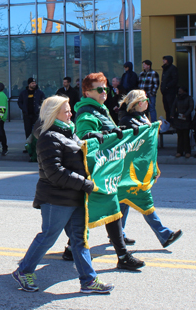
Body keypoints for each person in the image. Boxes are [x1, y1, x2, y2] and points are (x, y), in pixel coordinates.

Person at [11, 96, 114, 294]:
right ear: (53, 113)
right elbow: (55, 172)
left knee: (79, 239)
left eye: (69, 110)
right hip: (55, 198)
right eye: (66, 111)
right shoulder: (48, 137)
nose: (70, 114)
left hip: (74, 196)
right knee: (48, 236)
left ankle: (88, 280)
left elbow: (79, 151)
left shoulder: (69, 132)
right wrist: (84, 183)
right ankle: (24, 271)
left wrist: (93, 137)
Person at [70, 72, 145, 270]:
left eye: (107, 88)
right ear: (87, 92)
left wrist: (125, 131)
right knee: (106, 210)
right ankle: (122, 255)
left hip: (106, 171)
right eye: (100, 89)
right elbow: (82, 138)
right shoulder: (87, 113)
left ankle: (72, 248)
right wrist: (93, 135)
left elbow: (110, 134)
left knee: (102, 210)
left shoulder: (100, 110)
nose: (105, 93)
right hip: (96, 172)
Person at [118, 89, 183, 248]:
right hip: (131, 170)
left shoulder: (142, 117)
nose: (148, 102)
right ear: (138, 103)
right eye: (145, 99)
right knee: (144, 202)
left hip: (141, 169)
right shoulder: (126, 120)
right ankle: (164, 235)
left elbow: (149, 148)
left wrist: (154, 168)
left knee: (123, 202)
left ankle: (118, 234)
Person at [171, 86, 194, 158]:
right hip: (178, 118)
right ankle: (179, 151)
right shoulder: (177, 99)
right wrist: (172, 115)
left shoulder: (189, 98)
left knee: (186, 136)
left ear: (184, 91)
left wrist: (186, 114)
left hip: (186, 119)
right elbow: (173, 106)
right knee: (180, 136)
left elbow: (191, 107)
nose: (179, 93)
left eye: (180, 91)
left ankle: (187, 152)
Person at [161, 56, 178, 124]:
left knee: (171, 107)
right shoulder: (165, 69)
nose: (163, 61)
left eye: (165, 60)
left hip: (170, 91)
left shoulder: (172, 69)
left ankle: (173, 122)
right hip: (165, 91)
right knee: (166, 108)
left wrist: (167, 86)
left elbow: (175, 79)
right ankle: (168, 122)